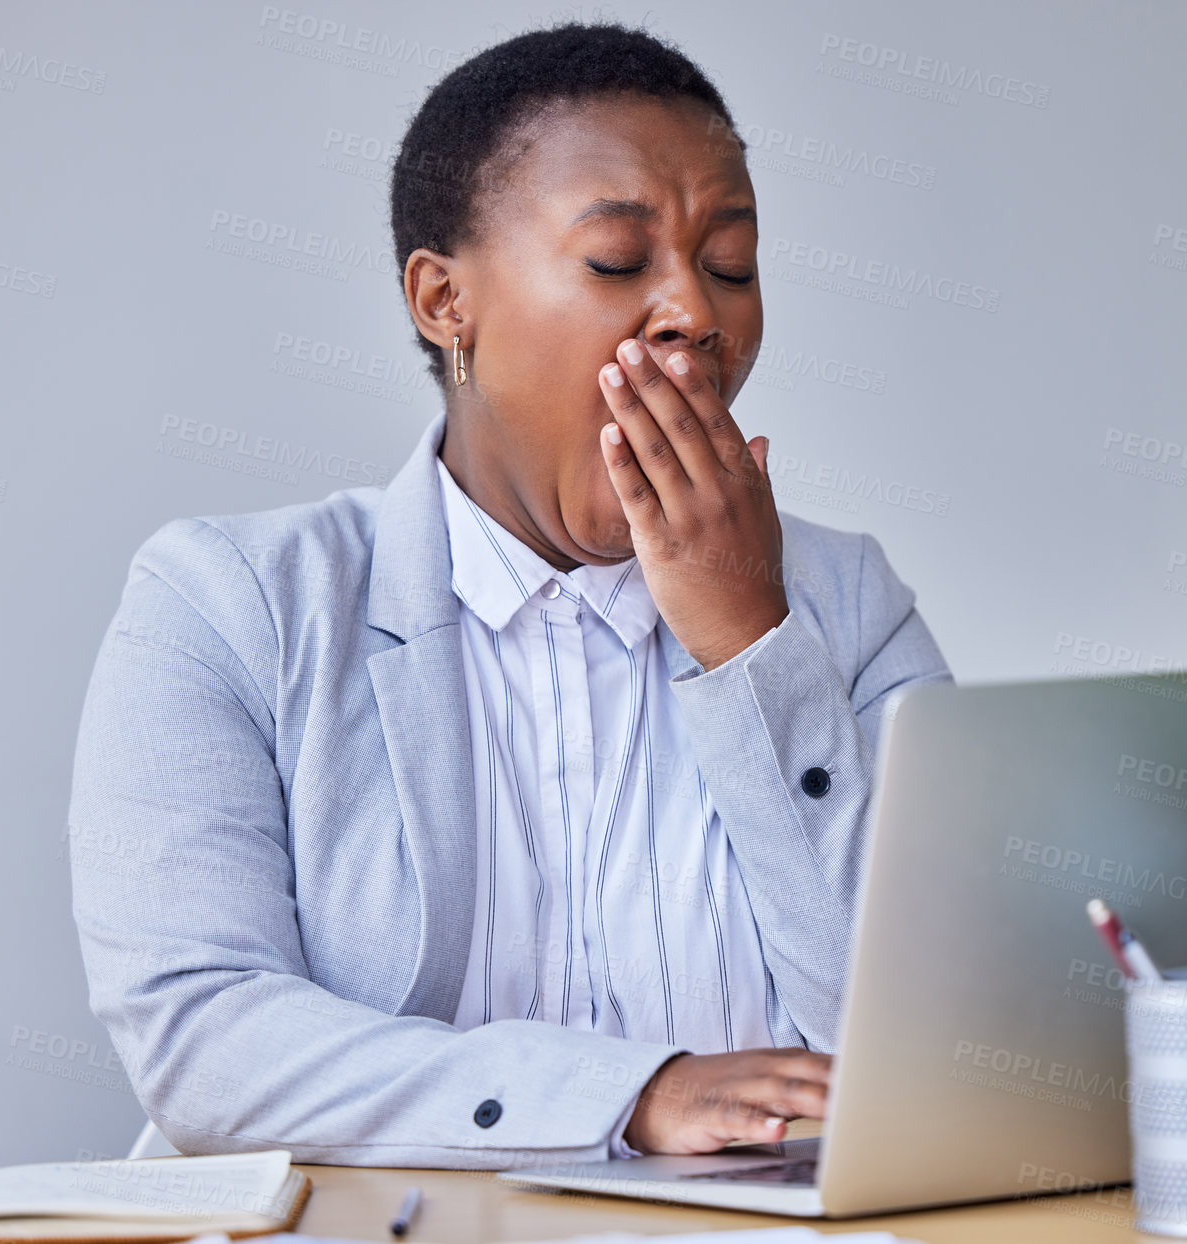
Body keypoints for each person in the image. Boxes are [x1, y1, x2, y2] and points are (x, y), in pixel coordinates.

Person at [67, 20, 953, 1170]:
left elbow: (939, 1044)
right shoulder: (232, 605)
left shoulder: (844, 600)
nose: (697, 311)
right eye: (618, 262)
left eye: (730, 263)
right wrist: (623, 1094)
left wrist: (752, 643)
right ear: (445, 302)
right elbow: (203, 1040)